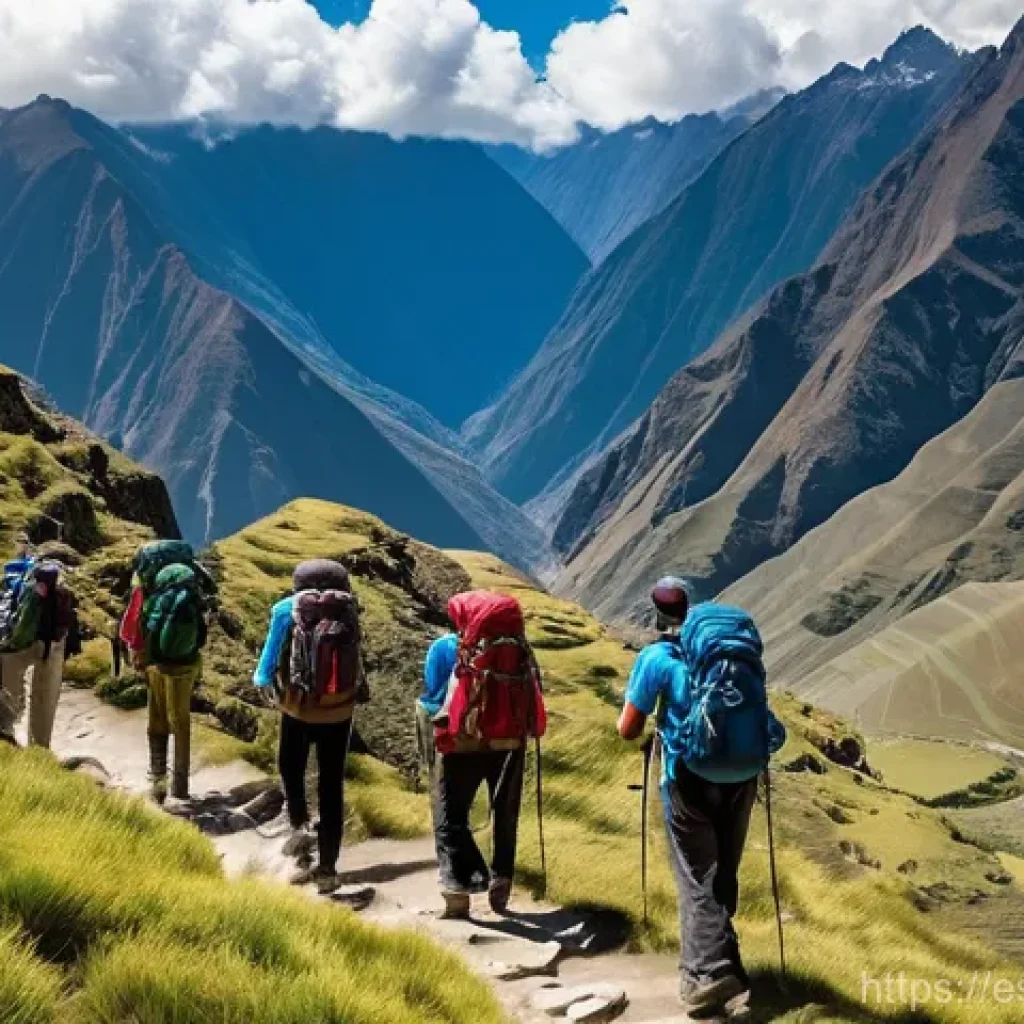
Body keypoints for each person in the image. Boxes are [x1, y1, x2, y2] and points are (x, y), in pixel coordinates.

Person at [618, 578, 784, 1021]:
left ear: (657, 612)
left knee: (696, 875)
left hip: (687, 777)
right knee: (723, 869)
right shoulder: (729, 659)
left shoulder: (656, 659)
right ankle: (730, 967)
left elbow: (627, 729)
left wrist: (659, 723)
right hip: (744, 775)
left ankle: (706, 976)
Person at [421, 590, 545, 920]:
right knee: (505, 812)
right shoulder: (520, 652)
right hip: (509, 743)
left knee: (450, 811)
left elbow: (434, 697)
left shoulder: (446, 648)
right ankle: (501, 880)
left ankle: (457, 890)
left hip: (462, 742)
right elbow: (534, 694)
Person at [254, 559, 366, 895]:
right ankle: (329, 870)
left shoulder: (286, 610)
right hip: (339, 711)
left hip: (298, 709)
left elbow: (269, 659)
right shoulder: (349, 610)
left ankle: (299, 829)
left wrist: (263, 681)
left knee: (291, 766)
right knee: (331, 785)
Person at [123, 542, 209, 803]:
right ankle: (180, 785)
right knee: (181, 722)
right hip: (186, 664)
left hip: (154, 663)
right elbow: (202, 633)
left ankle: (157, 778)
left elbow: (133, 624)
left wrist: (138, 654)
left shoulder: (147, 588)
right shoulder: (193, 588)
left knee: (156, 719)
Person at [0, 542, 78, 749]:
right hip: (51, 644)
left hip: (13, 646)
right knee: (44, 697)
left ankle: (6, 733)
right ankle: (40, 745)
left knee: (11, 691)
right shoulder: (63, 588)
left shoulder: (17, 583)